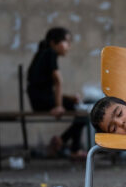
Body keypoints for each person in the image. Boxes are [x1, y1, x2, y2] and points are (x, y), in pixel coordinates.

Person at [27, 27, 87, 160]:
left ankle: (63, 141)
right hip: (42, 101)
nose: (68, 46)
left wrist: (68, 98)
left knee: (78, 108)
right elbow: (58, 81)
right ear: (53, 43)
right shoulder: (50, 53)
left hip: (39, 99)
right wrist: (59, 106)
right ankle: (72, 147)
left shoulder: (42, 53)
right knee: (83, 113)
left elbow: (46, 88)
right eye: (66, 42)